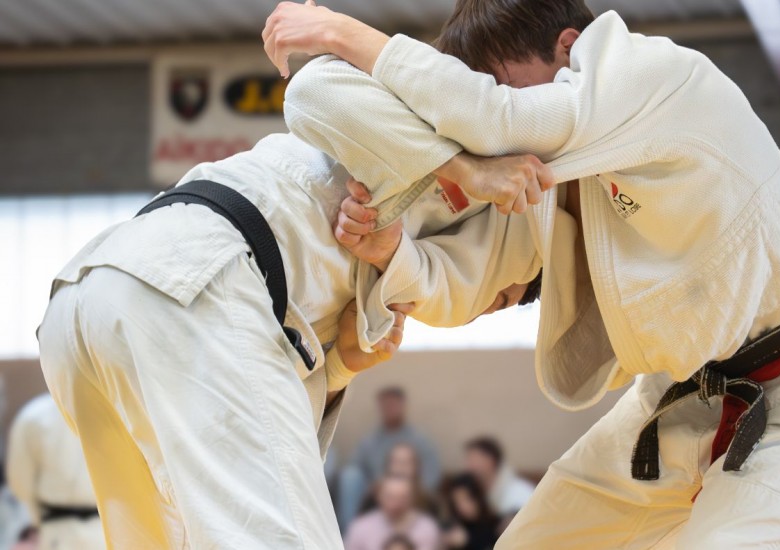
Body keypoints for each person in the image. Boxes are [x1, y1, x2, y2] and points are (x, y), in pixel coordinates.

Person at [262, 0, 780, 547]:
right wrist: (397, 246)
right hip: (685, 395)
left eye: (507, 88)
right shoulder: (540, 175)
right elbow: (460, 281)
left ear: (570, 48)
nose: (495, 136)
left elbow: (494, 117)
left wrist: (339, 29)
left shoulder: (658, 75)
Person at [37, 123, 547, 547]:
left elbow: (263, 421)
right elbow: (318, 85)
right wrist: (468, 169)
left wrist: (341, 365)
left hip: (87, 300)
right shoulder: (452, 136)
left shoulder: (405, 253)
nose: (481, 309)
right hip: (189, 284)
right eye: (499, 298)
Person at [6, 393, 104, 550]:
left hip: (60, 532)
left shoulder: (34, 415)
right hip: (69, 530)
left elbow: (21, 485)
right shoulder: (120, 411)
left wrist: (36, 520)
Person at [339, 388, 440, 527]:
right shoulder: (370, 440)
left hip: (411, 494)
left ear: (403, 406)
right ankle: (349, 533)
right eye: (386, 405)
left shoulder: (418, 439)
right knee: (349, 475)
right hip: (376, 495)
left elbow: (432, 474)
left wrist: (412, 490)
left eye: (394, 405)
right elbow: (355, 466)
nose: (390, 409)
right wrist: (376, 488)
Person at [344, 475, 440, 550]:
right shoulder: (360, 527)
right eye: (390, 497)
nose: (395, 504)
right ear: (379, 496)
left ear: (412, 499)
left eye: (402, 498)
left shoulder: (427, 528)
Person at [462, 438, 533, 519]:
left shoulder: (521, 492)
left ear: (491, 460)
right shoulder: (472, 490)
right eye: (468, 460)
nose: (469, 466)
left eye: (473, 459)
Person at [442, 473, 499, 550]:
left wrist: (468, 541)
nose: (462, 507)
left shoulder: (495, 525)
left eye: (466, 499)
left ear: (477, 497)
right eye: (457, 502)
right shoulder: (455, 527)